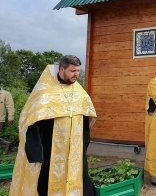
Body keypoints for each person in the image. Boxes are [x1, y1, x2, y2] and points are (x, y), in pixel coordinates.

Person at [9, 55, 97, 196]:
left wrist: (84, 142)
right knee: (47, 184)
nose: (76, 74)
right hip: (51, 150)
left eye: (78, 71)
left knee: (80, 181)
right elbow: (32, 122)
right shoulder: (45, 91)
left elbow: (86, 118)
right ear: (62, 69)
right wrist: (36, 153)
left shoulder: (79, 92)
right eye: (72, 71)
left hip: (75, 151)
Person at [0, 83, 14, 153]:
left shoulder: (6, 94)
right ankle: (6, 143)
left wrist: (10, 117)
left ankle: (5, 144)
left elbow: (10, 106)